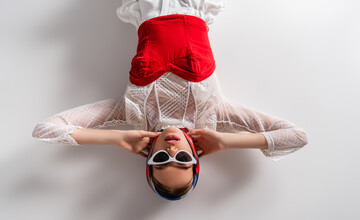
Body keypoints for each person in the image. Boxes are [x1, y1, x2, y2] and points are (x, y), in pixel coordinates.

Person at [32, 0, 309, 201]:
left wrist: (117, 138)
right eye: (184, 160)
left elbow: (46, 130)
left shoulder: (132, 113)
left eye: (162, 160)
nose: (172, 151)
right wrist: (225, 141)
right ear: (196, 158)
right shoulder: (215, 114)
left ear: (149, 157)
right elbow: (296, 136)